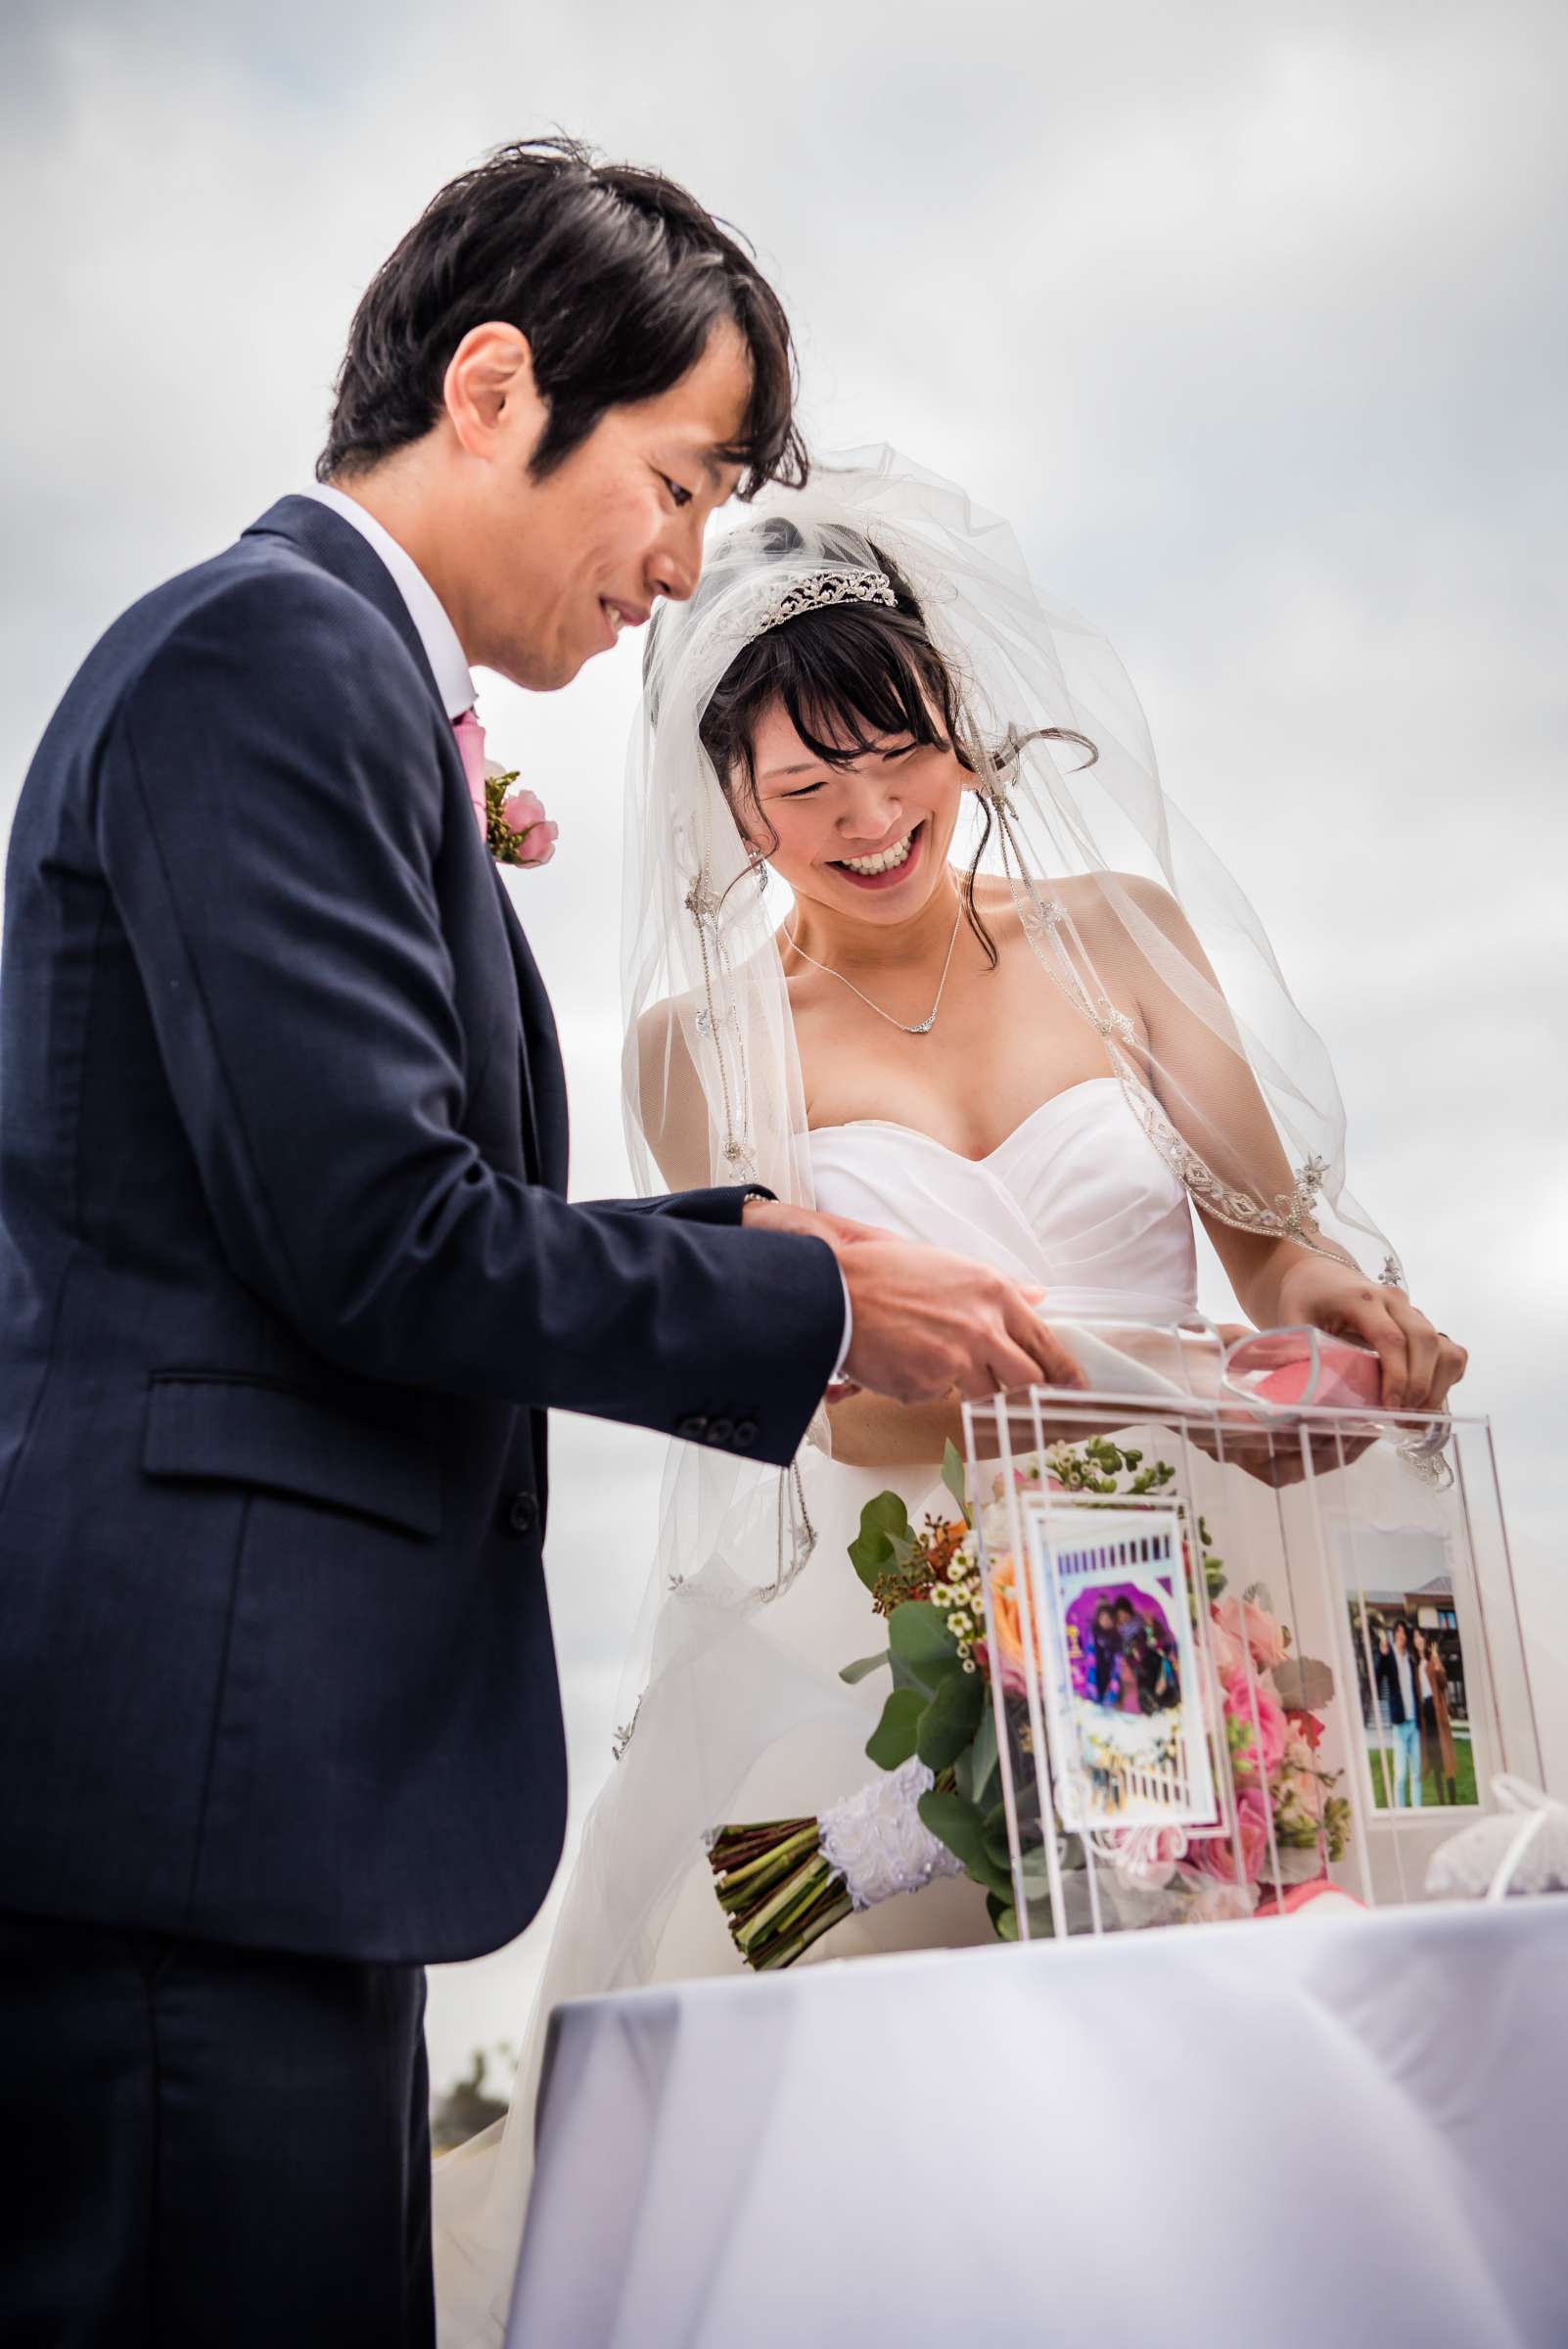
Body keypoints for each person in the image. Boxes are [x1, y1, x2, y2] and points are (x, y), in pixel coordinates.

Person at [0, 154, 1068, 2349]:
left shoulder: (334, 680)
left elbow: (361, 1205)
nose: (682, 570)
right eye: (674, 485)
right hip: (199, 1797)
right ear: (494, 390)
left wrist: (746, 1240)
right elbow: (381, 1239)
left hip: (269, 1799)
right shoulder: (263, 662)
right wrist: (831, 1293)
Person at [432, 448, 1468, 2339]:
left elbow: (1271, 1248)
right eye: (805, 784)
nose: (866, 812)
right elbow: (837, 1402)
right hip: (932, 1620)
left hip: (1241, 1584)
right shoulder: (701, 1045)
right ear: (733, 808)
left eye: (894, 753)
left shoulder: (1120, 935)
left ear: (963, 738)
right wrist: (1098, 1385)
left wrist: (1355, 1317)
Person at [1375, 1619, 1424, 1807]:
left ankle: (1417, 1812)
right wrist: (1382, 1655)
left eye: (1404, 1632)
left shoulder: (1410, 1660)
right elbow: (1377, 1677)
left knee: (1416, 1774)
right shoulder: (1389, 1657)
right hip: (1399, 1723)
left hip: (1414, 1723)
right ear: (1394, 1634)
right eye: (1398, 1632)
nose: (1401, 1635)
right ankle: (1401, 1812)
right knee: (1400, 1775)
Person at [1413, 1626, 1459, 1804]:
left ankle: (1453, 1801)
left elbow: (1443, 1682)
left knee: (1446, 1757)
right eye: (1415, 1637)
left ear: (1425, 1640)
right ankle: (1442, 1802)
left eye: (1420, 1637)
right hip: (1426, 1716)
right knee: (1435, 1761)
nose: (1418, 1640)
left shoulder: (1433, 1659)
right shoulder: (1415, 1665)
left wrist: (1437, 1663)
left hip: (1438, 1712)